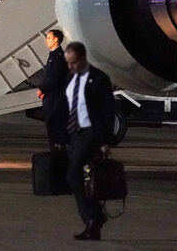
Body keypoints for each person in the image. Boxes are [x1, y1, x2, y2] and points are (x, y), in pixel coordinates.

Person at [63, 41, 116, 241]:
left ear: (83, 59)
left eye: (74, 62)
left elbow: (107, 110)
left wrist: (105, 140)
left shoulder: (99, 79)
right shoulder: (72, 77)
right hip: (75, 133)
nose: (71, 67)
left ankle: (93, 217)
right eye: (68, 63)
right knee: (77, 176)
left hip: (92, 133)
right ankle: (93, 221)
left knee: (73, 173)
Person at [37, 29, 69, 149]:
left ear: (56, 40)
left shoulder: (59, 57)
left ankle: (59, 153)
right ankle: (56, 151)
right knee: (52, 128)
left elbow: (54, 77)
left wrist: (42, 89)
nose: (46, 41)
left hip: (55, 98)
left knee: (56, 128)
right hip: (51, 97)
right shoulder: (54, 55)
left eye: (49, 38)